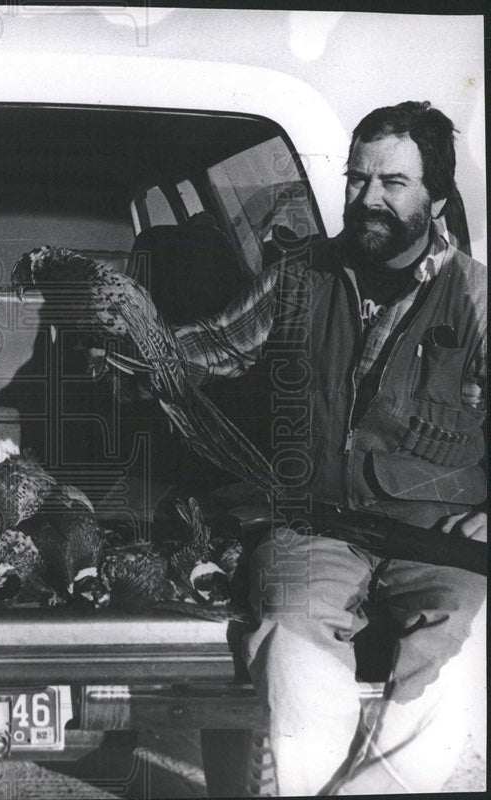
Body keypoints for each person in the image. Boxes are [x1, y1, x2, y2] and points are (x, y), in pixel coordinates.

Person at [175, 100, 487, 794]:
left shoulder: (478, 300)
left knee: (459, 665)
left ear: (437, 198)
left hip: (436, 542)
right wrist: (141, 354)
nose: (368, 199)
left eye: (392, 183)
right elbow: (218, 345)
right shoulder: (301, 276)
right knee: (296, 665)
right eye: (356, 179)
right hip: (315, 529)